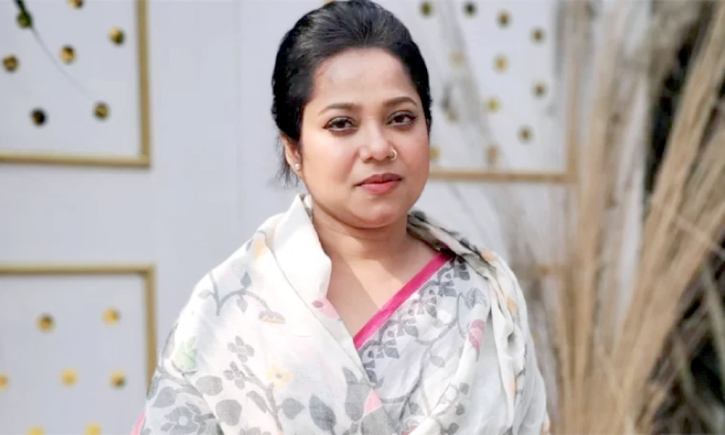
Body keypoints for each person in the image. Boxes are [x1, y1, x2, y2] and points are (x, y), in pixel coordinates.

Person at [133, 1, 548, 434]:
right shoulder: (232, 310)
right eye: (342, 124)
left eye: (401, 118)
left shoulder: (484, 294)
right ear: (293, 149)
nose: (378, 147)